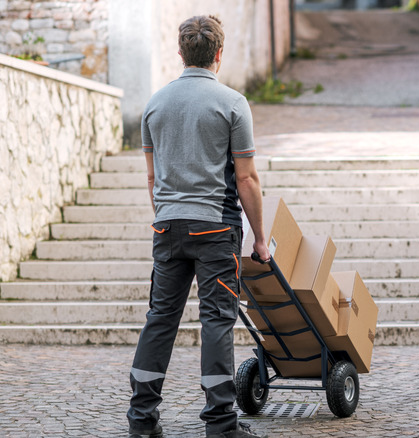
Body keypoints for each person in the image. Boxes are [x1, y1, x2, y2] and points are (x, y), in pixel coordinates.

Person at [127, 15, 270, 438]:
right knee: (216, 321)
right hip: (215, 230)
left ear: (180, 52)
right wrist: (260, 239)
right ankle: (221, 424)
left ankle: (141, 419)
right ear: (219, 55)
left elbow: (152, 180)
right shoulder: (232, 103)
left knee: (160, 319)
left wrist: (167, 217)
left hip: (167, 227)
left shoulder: (154, 104)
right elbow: (246, 179)